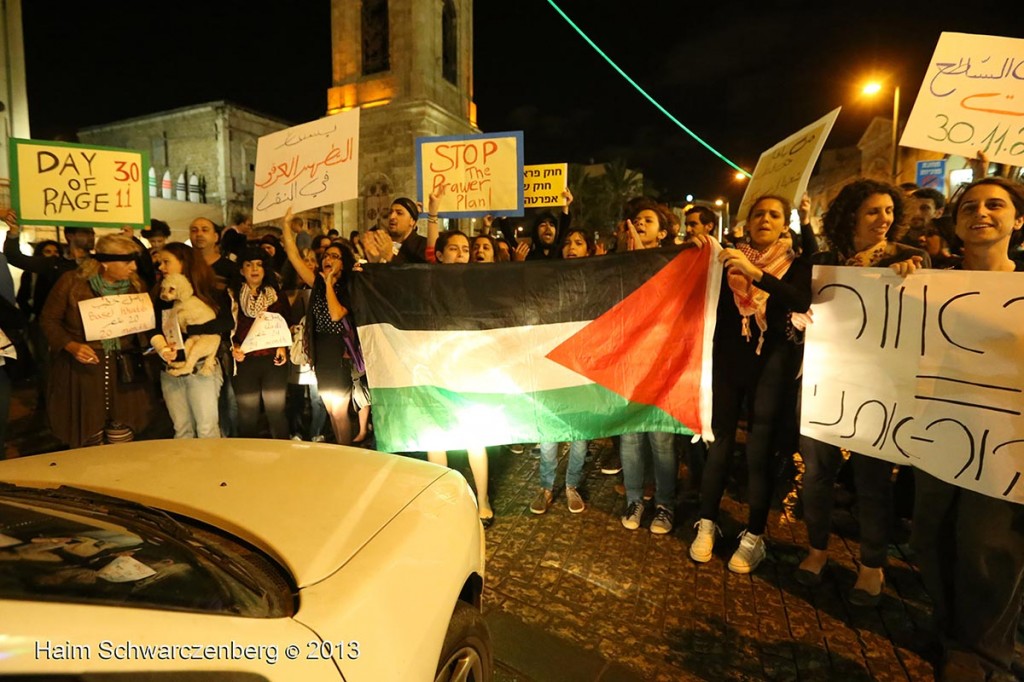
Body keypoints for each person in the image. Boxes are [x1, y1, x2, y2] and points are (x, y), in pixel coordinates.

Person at [910, 176, 1024, 681]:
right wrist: (897, 283)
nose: (982, 213)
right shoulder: (928, 284)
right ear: (955, 225)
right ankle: (949, 630)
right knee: (931, 539)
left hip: (1006, 444)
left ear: (1017, 221)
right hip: (939, 435)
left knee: (989, 549)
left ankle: (985, 656)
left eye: (996, 205)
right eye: (970, 207)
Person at [794, 178, 929, 604]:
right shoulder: (822, 260)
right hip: (824, 381)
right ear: (851, 214)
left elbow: (924, 321)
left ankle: (872, 566)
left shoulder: (910, 260)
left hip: (879, 386)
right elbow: (798, 315)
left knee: (872, 479)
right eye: (873, 211)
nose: (883, 220)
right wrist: (798, 322)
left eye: (889, 211)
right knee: (817, 474)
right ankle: (817, 549)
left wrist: (914, 282)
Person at [688, 196, 812, 573]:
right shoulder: (724, 258)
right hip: (728, 361)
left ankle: (754, 535)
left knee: (760, 448)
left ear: (783, 224)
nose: (765, 219)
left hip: (771, 363)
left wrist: (756, 274)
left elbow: (800, 298)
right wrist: (695, 253)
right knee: (720, 441)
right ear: (747, 221)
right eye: (759, 213)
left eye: (774, 215)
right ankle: (707, 522)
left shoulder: (793, 263)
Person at [40, 235, 155, 447]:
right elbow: (49, 320)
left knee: (123, 429)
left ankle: (118, 478)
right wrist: (71, 345)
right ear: (104, 262)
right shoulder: (72, 282)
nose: (133, 267)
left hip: (123, 368)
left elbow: (144, 327)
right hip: (84, 368)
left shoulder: (136, 285)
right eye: (127, 261)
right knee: (89, 430)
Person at [618, 199, 678, 534]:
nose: (639, 223)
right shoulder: (618, 264)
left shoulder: (674, 263)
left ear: (663, 231)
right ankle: (635, 498)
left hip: (663, 361)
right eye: (636, 219)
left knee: (661, 438)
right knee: (630, 435)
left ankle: (665, 504)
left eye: (648, 220)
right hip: (629, 361)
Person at [529, 227, 597, 515]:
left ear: (590, 250)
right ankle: (546, 486)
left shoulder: (596, 281)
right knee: (549, 432)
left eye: (579, 243)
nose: (572, 247)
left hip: (583, 365)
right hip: (552, 365)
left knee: (579, 433)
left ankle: (571, 485)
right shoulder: (550, 279)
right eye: (568, 242)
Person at [281, 210, 363, 445]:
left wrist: (329, 284)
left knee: (339, 411)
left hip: (340, 354)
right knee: (330, 408)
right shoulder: (317, 281)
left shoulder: (350, 286)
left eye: (335, 256)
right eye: (327, 254)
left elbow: (337, 314)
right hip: (321, 352)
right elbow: (294, 257)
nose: (328, 258)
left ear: (344, 262)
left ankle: (346, 453)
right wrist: (286, 226)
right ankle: (340, 448)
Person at [153, 243, 233, 439]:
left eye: (166, 262)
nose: (161, 267)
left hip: (201, 369)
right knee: (182, 430)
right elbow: (153, 329)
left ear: (184, 262)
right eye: (159, 263)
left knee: (207, 429)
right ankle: (185, 469)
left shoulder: (211, 289)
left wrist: (192, 329)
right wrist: (163, 349)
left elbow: (226, 322)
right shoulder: (160, 293)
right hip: (171, 368)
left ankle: (210, 469)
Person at [230, 247, 291, 439]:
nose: (254, 269)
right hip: (244, 361)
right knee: (247, 414)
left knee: (276, 412)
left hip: (273, 360)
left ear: (265, 269)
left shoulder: (276, 295)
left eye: (259, 264)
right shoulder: (232, 296)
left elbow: (287, 322)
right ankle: (248, 460)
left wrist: (282, 346)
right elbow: (228, 327)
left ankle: (284, 457)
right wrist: (235, 347)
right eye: (248, 265)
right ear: (241, 270)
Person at [362, 197, 428, 264]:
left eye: (399, 213)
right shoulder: (381, 244)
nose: (392, 217)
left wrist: (391, 256)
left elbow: (418, 272)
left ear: (412, 221)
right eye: (390, 213)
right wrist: (372, 263)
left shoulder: (422, 245)